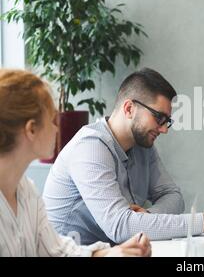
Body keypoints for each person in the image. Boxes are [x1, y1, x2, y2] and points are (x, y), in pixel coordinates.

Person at [43, 68, 204, 245]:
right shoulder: (91, 148)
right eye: (159, 118)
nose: (164, 129)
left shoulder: (142, 146)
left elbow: (173, 196)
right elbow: (121, 227)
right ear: (129, 108)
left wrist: (147, 216)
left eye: (167, 121)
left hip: (116, 252)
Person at [0, 69, 151, 256]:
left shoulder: (26, 190)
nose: (57, 129)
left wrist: (107, 254)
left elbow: (56, 250)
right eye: (51, 120)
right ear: (31, 130)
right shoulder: (90, 145)